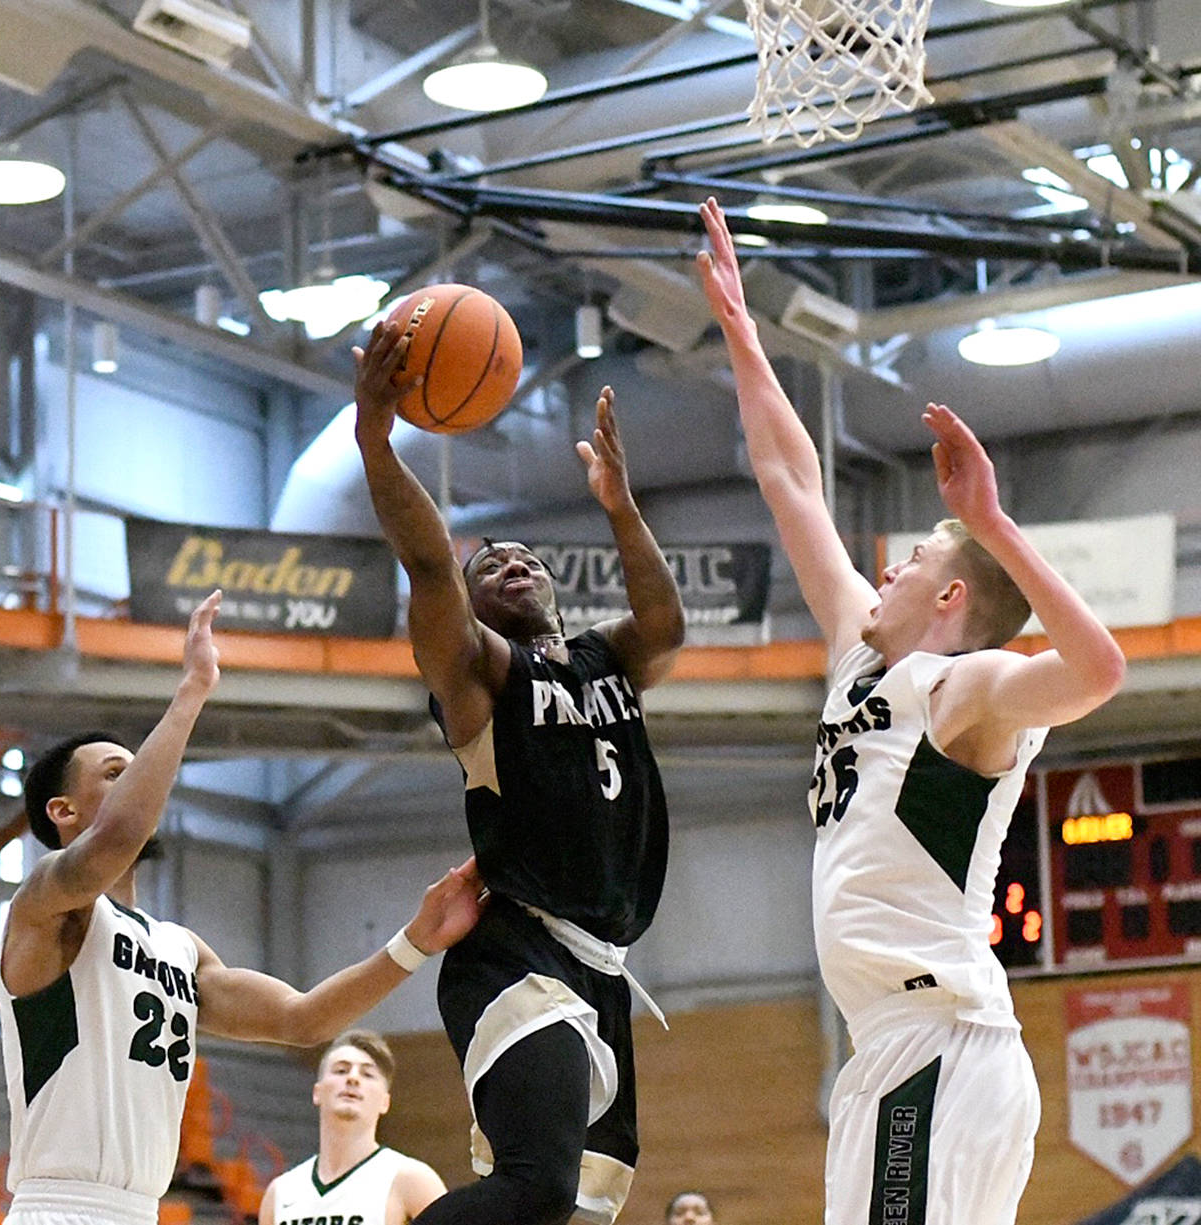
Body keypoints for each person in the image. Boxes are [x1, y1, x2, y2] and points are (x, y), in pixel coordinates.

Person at [696, 196, 1126, 1225]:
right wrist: (740, 336)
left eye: (918, 558)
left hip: (944, 1039)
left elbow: (1098, 668)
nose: (884, 564)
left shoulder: (967, 688)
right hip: (888, 1046)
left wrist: (986, 521)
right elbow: (787, 474)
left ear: (949, 599)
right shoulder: (857, 650)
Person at [0, 590, 485, 1225]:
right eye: (120, 772)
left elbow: (303, 1020)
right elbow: (113, 840)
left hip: (141, 1209)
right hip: (58, 1208)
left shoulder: (180, 948)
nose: (145, 779)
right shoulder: (43, 904)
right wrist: (194, 689)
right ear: (63, 813)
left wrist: (415, 941)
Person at [352, 322, 686, 1225]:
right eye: (488, 565)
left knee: (575, 1215)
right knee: (535, 1184)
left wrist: (621, 506)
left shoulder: (606, 657)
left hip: (605, 968)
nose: (513, 562)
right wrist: (376, 440)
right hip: (518, 954)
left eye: (525, 556)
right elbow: (429, 562)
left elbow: (665, 627)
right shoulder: (485, 680)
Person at [259, 1029, 445, 1225]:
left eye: (367, 1074)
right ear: (317, 1092)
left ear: (385, 1102)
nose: (353, 1078)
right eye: (341, 1070)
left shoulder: (411, 1180)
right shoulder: (279, 1193)